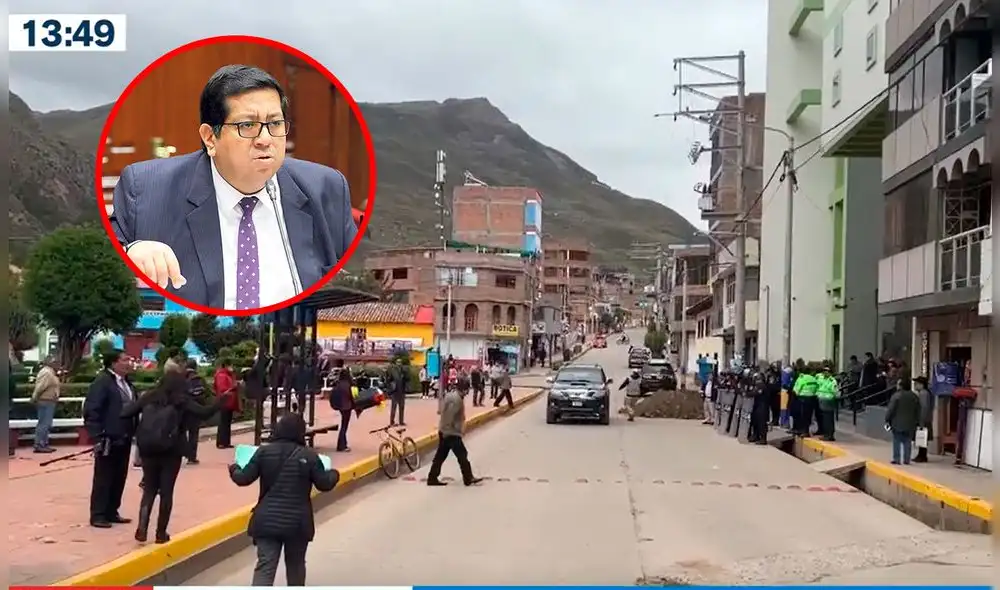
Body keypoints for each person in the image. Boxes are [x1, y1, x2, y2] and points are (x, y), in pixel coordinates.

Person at [110, 65, 359, 310]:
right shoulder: (145, 190)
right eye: (247, 126)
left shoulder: (326, 189)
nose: (265, 140)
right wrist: (131, 251)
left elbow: (351, 278)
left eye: (275, 124)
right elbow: (97, 259)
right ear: (210, 138)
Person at [229, 413, 340, 586]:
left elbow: (243, 479)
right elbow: (324, 484)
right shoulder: (309, 456)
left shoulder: (264, 452)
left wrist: (234, 468)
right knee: (295, 566)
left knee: (265, 567)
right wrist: (334, 474)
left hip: (266, 521)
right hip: (297, 523)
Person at [123, 371, 218, 543]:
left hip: (148, 449)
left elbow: (126, 413)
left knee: (149, 489)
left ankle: (142, 528)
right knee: (166, 492)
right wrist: (221, 401)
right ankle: (161, 533)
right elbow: (204, 413)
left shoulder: (149, 396)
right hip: (171, 450)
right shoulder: (181, 401)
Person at [83, 350, 138, 529]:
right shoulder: (102, 382)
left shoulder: (126, 382)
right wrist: (97, 436)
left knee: (119, 476)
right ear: (113, 363)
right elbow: (92, 410)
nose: (129, 363)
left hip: (125, 436)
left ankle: (112, 511)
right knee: (104, 476)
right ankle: (98, 514)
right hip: (107, 437)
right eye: (125, 360)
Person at [426, 382, 484, 487]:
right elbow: (449, 416)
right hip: (451, 432)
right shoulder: (456, 400)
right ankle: (468, 478)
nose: (467, 393)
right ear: (464, 390)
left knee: (440, 456)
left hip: (446, 431)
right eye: (467, 390)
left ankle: (432, 477)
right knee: (462, 455)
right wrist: (447, 431)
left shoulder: (450, 395)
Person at [885, 377, 921, 465]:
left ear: (901, 386)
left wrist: (887, 419)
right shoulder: (914, 396)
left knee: (897, 440)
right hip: (910, 423)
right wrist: (917, 421)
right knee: (907, 441)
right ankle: (906, 459)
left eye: (898, 384)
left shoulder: (896, 396)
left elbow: (891, 409)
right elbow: (918, 410)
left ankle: (897, 459)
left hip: (897, 423)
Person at [31, 356, 61, 453]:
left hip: (49, 401)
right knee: (44, 423)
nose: (58, 364)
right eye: (55, 362)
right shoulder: (47, 373)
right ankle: (39, 444)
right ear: (50, 363)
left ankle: (44, 443)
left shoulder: (50, 373)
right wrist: (34, 397)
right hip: (45, 401)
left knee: (46, 423)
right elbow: (40, 387)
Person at [183, 359, 207, 464]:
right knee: (193, 434)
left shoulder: (181, 377)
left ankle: (181, 452)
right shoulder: (199, 379)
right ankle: (192, 457)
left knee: (180, 432)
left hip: (184, 409)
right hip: (196, 409)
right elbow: (205, 393)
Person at [214, 360, 239, 449]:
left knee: (227, 422)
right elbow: (222, 388)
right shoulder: (221, 375)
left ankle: (226, 442)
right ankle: (221, 442)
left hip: (230, 402)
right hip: (224, 401)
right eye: (230, 365)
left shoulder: (229, 375)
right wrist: (232, 388)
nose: (232, 367)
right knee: (223, 422)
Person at [329, 369, 354, 452]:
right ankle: (341, 446)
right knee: (344, 427)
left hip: (341, 407)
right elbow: (351, 397)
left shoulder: (338, 384)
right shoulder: (348, 385)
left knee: (343, 426)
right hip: (347, 407)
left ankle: (343, 444)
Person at [913, 376, 934, 463]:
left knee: (922, 437)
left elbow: (924, 407)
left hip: (923, 420)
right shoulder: (927, 393)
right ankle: (921, 455)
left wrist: (921, 421)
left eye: (917, 384)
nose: (915, 385)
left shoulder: (923, 393)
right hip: (926, 419)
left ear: (921, 385)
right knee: (922, 438)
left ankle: (922, 456)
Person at [791, 366, 817, 436]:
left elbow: (796, 390)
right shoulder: (813, 378)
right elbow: (816, 388)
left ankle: (802, 431)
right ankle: (806, 431)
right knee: (808, 416)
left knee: (802, 416)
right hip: (811, 398)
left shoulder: (801, 378)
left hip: (802, 399)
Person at [815, 367, 839, 441]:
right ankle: (826, 434)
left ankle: (829, 435)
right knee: (825, 419)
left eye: (827, 371)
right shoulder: (823, 379)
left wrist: (830, 398)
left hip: (828, 401)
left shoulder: (832, 381)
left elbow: (835, 391)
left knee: (828, 419)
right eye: (824, 371)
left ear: (830, 373)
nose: (825, 373)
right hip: (822, 400)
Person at [388, 358, 408, 427]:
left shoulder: (403, 371)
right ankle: (392, 422)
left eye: (400, 362)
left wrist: (405, 375)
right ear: (396, 363)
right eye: (398, 362)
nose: (399, 363)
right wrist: (391, 386)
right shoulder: (393, 371)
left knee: (402, 407)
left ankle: (401, 421)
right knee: (394, 407)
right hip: (395, 392)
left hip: (402, 391)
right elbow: (389, 380)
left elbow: (407, 379)